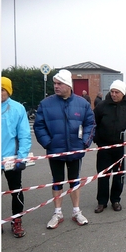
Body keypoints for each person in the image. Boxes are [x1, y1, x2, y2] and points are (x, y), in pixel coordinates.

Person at [33, 69, 95, 229]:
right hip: (55, 150)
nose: (56, 86)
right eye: (54, 83)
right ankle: (58, 213)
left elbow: (90, 124)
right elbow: (39, 126)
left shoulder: (83, 104)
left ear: (68, 85)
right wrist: (48, 143)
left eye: (59, 83)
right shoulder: (46, 104)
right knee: (57, 181)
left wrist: (84, 142)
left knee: (75, 181)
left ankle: (76, 211)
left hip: (75, 150)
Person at [93, 80, 126, 213]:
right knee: (103, 175)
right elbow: (93, 123)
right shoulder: (101, 106)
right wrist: (97, 139)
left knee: (119, 175)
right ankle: (101, 202)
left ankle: (115, 200)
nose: (114, 94)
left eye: (117, 92)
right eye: (112, 92)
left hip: (122, 148)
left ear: (123, 93)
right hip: (105, 148)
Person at [1, 77, 32, 238]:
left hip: (11, 159)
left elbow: (24, 135)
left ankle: (16, 220)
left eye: (2, 89)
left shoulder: (17, 108)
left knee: (16, 190)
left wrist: (22, 157)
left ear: (8, 90)